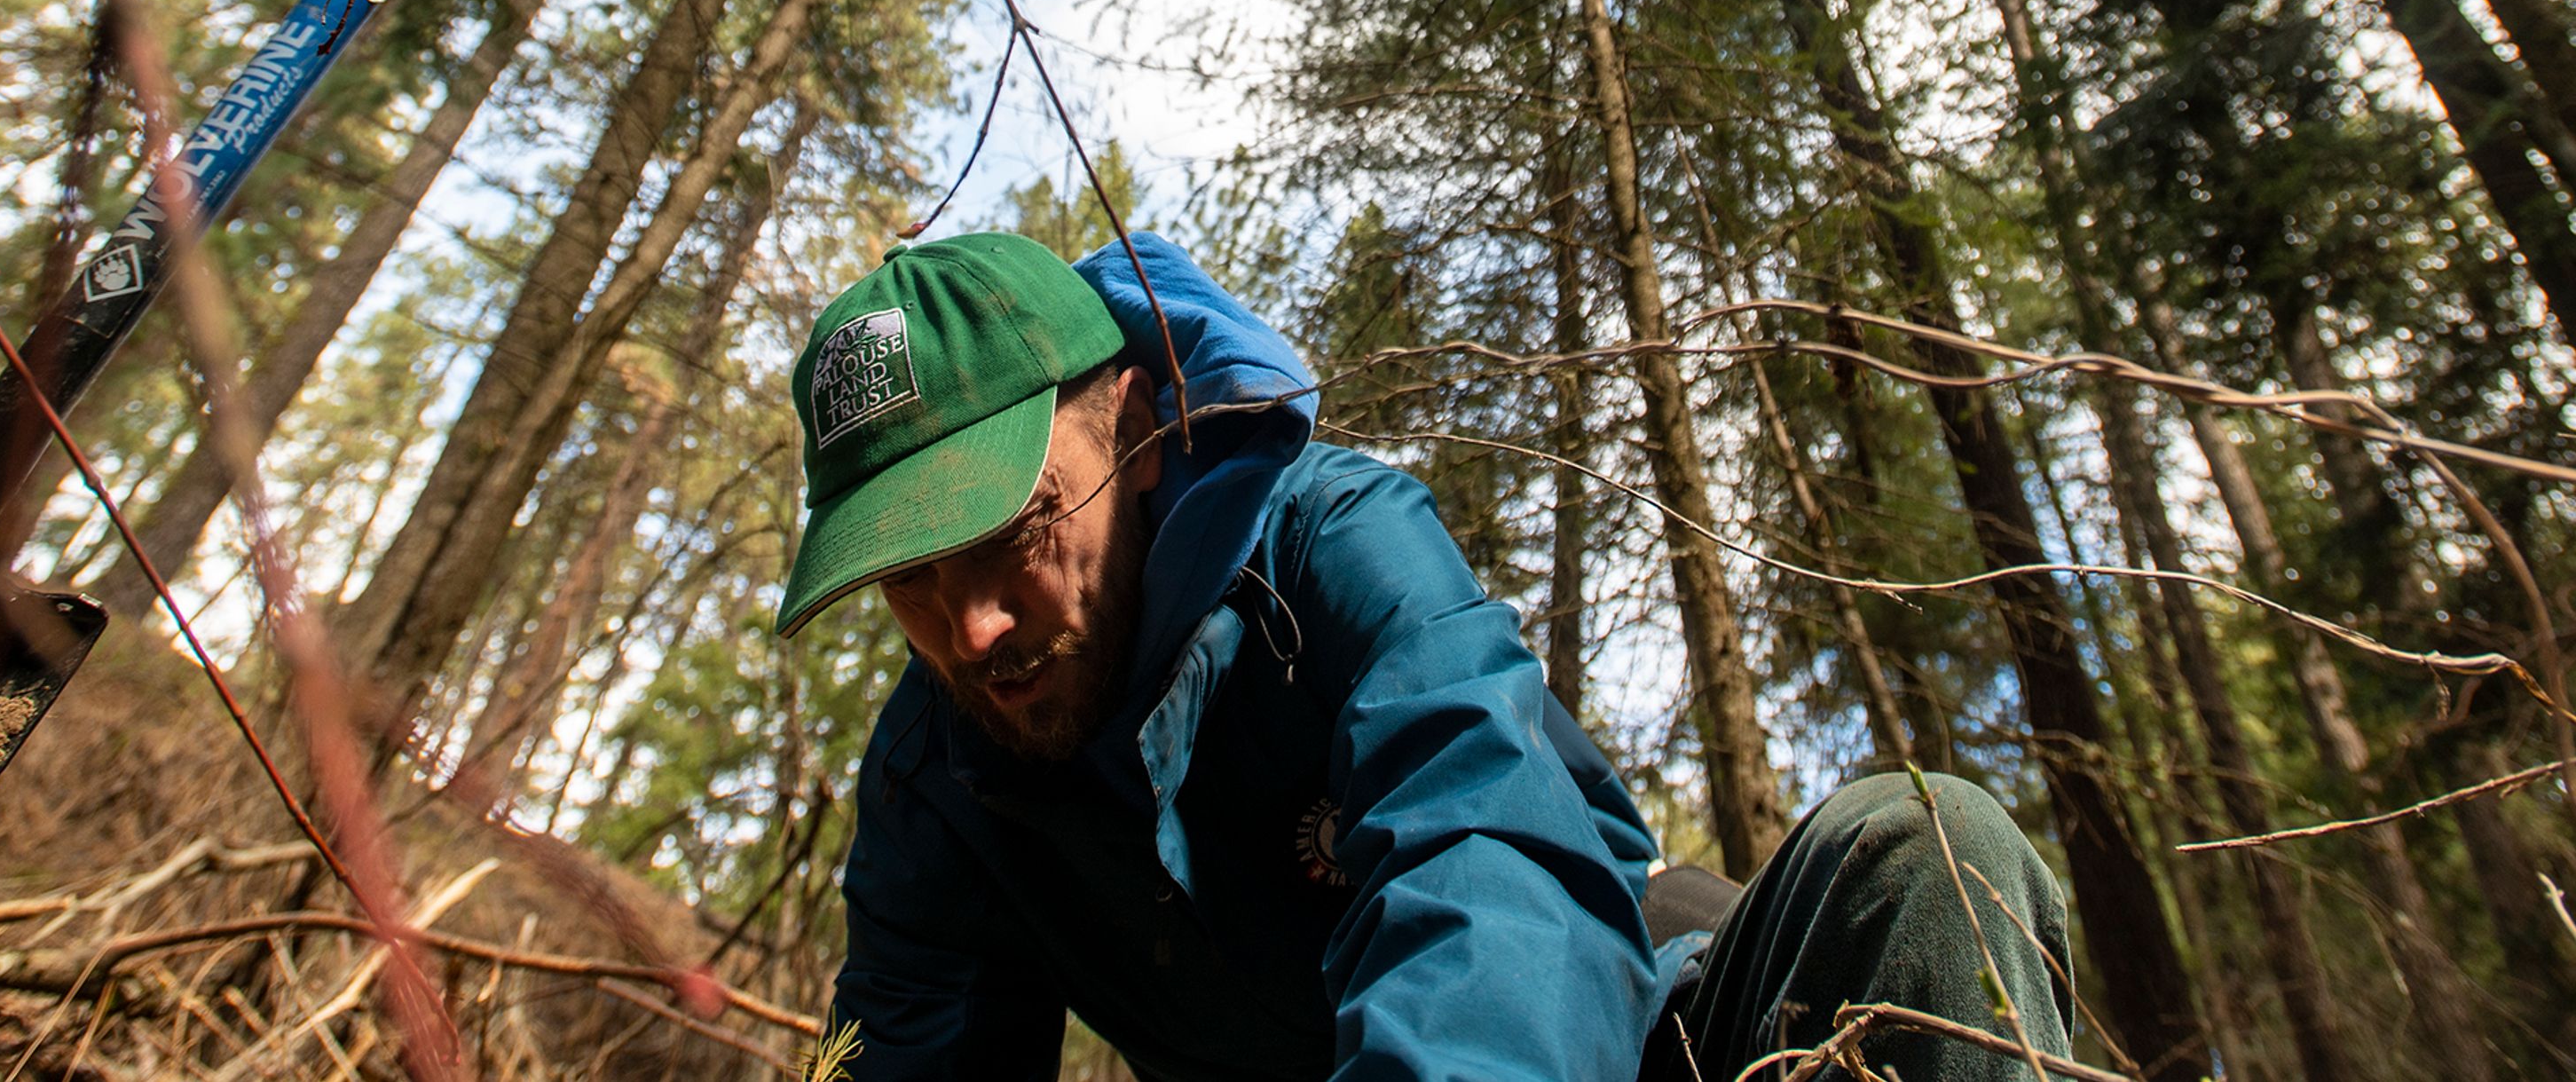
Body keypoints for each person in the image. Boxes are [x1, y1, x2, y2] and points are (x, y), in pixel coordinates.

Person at [776, 229, 2076, 1082]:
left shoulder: (1335, 545)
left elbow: (1490, 858)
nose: (974, 626)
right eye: (910, 575)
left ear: (1138, 424)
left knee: (1929, 852)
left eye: (1014, 528)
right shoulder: (933, 775)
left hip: (1628, 1031)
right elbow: (906, 1051)